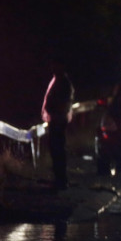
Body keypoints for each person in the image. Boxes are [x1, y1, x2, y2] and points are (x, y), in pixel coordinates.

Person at [41, 60, 74, 190]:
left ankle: (61, 180)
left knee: (58, 149)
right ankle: (59, 179)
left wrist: (55, 113)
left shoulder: (63, 83)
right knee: (56, 150)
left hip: (58, 121)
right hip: (56, 120)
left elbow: (62, 103)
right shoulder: (58, 81)